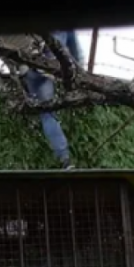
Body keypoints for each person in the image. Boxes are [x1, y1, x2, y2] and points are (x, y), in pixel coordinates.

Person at [21, 31, 84, 170]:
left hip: (29, 68)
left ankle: (63, 156)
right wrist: (81, 75)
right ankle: (64, 159)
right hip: (48, 68)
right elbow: (75, 52)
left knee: (43, 111)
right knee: (48, 114)